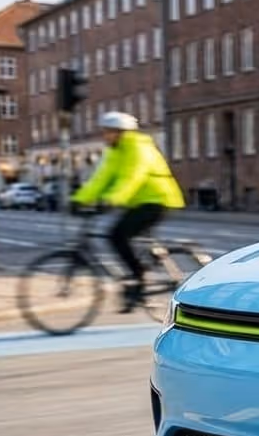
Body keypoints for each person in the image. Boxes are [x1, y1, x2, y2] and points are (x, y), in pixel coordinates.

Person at [72, 111, 186, 312]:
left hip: (157, 200)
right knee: (121, 236)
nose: (105, 136)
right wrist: (79, 199)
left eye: (109, 132)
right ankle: (136, 285)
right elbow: (101, 178)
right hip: (138, 202)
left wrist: (111, 200)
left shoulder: (138, 148)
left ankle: (138, 276)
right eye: (104, 132)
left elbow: (132, 176)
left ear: (122, 133)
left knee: (117, 236)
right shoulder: (115, 152)